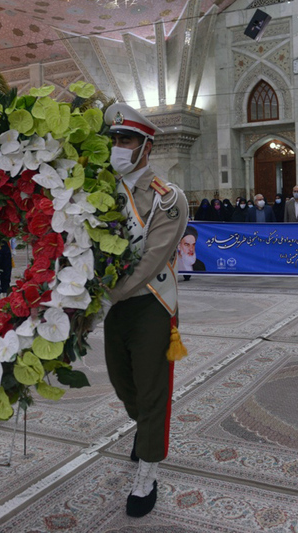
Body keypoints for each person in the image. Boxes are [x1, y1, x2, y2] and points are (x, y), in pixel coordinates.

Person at [103, 103, 189, 517]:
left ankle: (148, 470)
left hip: (152, 305)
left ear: (146, 147)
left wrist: (109, 292)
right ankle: (145, 430)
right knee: (123, 384)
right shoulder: (101, 192)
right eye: (114, 139)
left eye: (127, 140)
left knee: (153, 390)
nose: (118, 147)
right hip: (116, 305)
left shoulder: (168, 198)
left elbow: (152, 258)